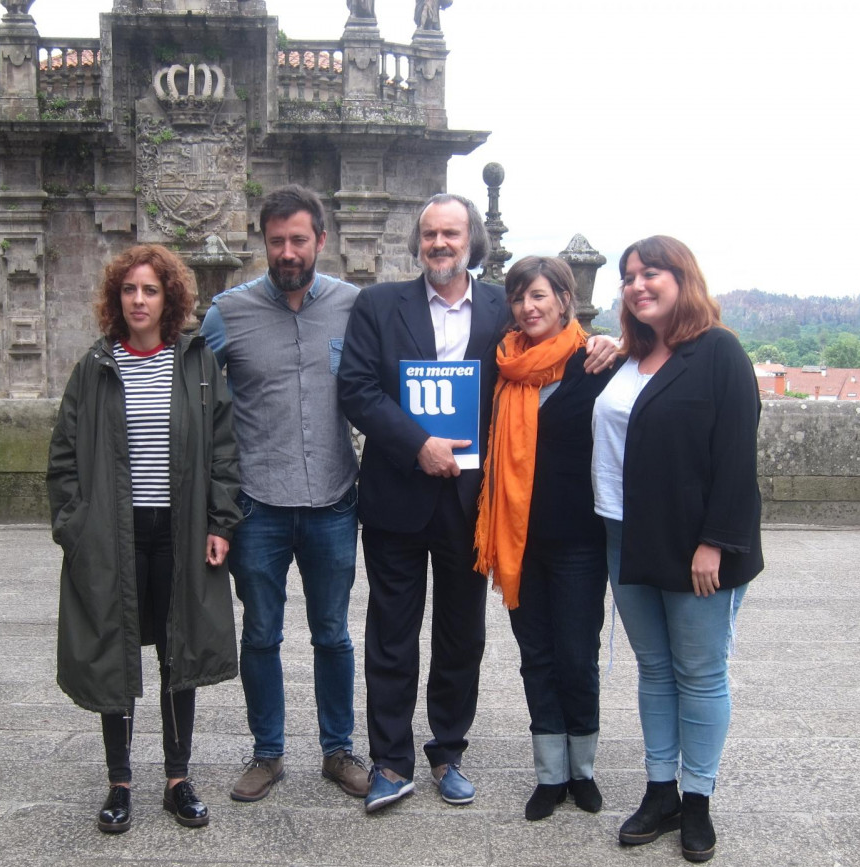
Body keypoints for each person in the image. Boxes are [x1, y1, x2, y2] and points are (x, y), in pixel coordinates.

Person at [338, 195, 619, 812]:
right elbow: (356, 389)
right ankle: (391, 760)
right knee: (391, 634)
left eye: (451, 233)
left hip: (474, 502)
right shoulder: (379, 305)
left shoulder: (502, 306)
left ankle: (447, 750)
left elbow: (548, 350)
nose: (440, 243)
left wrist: (604, 345)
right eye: (430, 234)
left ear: (472, 242)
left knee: (462, 634)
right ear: (418, 243)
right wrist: (419, 445)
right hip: (397, 497)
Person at [47, 244, 241, 833]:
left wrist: (220, 521)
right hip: (113, 533)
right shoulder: (95, 366)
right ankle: (120, 781)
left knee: (180, 648)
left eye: (150, 290)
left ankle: (178, 778)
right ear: (116, 297)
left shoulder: (198, 363)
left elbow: (224, 448)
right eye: (129, 289)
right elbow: (62, 459)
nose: (138, 300)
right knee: (114, 648)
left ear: (169, 299)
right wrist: (75, 528)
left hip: (179, 533)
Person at [592, 235, 763, 863]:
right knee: (655, 670)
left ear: (681, 277)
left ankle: (698, 802)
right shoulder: (626, 358)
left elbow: (736, 458)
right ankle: (660, 790)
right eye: (629, 277)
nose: (638, 285)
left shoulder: (717, 352)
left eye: (651, 273)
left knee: (700, 671)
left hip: (696, 546)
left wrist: (714, 543)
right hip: (623, 534)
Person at [200, 185, 369, 802]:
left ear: (321, 241)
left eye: (300, 239)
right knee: (262, 634)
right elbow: (187, 380)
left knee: (333, 632)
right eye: (277, 241)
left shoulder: (356, 306)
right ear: (263, 243)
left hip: (332, 499)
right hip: (258, 502)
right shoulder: (229, 312)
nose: (289, 251)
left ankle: (338, 750)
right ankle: (267, 753)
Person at [473, 256, 615, 822]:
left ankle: (583, 770)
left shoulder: (597, 362)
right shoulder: (502, 365)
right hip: (519, 539)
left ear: (564, 298)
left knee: (576, 656)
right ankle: (549, 774)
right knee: (537, 656)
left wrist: (621, 342)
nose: (527, 308)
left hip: (580, 539)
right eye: (518, 298)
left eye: (538, 296)